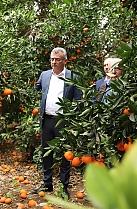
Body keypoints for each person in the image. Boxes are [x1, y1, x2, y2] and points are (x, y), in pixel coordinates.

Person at [32, 47, 82, 199]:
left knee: (64, 155)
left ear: (65, 61)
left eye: (57, 59)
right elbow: (38, 88)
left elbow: (78, 101)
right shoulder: (45, 75)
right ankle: (47, 183)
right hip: (46, 119)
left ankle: (63, 186)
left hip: (63, 121)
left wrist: (74, 121)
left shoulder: (73, 77)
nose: (54, 62)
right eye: (52, 59)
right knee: (46, 152)